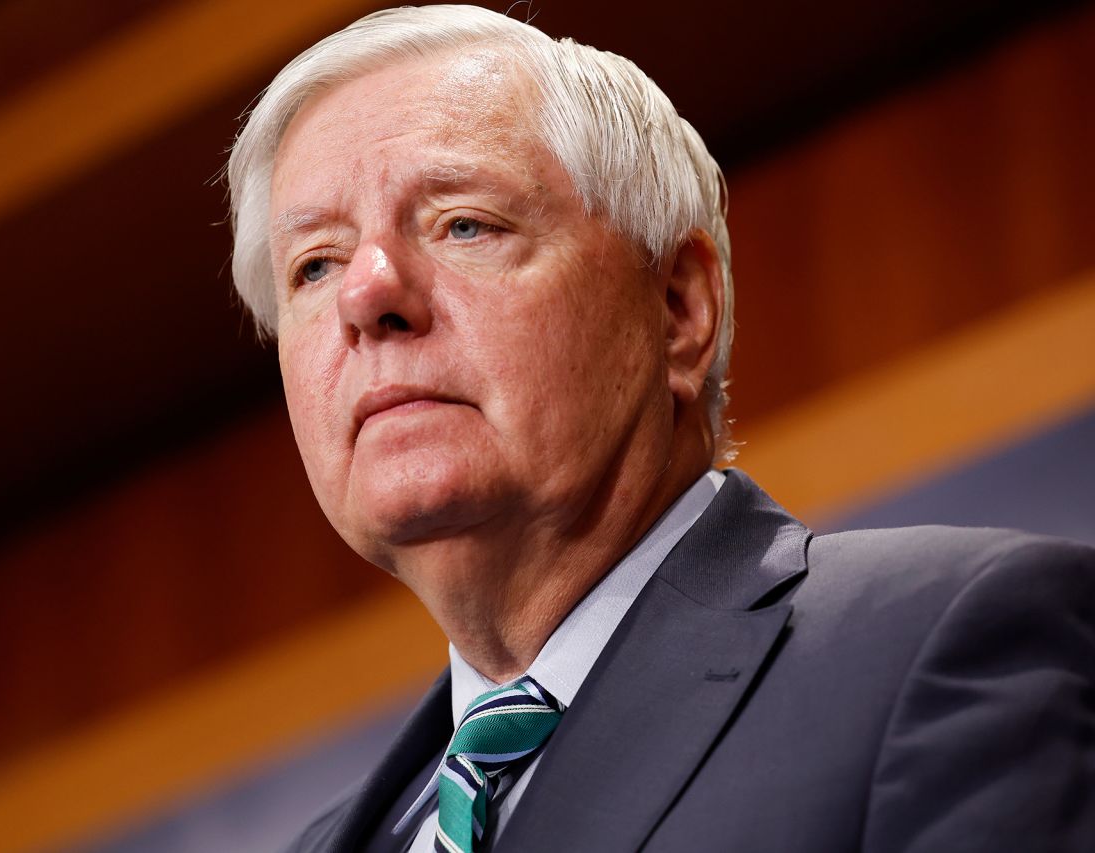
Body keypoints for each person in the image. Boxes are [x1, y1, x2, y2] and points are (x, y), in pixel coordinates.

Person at [224, 6, 1095, 852]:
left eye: (463, 224)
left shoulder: (940, 646)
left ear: (679, 307)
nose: (366, 294)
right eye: (316, 265)